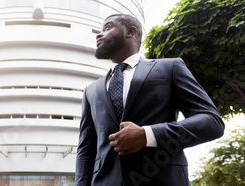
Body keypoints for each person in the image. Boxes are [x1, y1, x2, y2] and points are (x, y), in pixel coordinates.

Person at [74, 14, 225, 186]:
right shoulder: (90, 91)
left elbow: (211, 121)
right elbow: (86, 150)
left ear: (130, 32)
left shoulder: (170, 67)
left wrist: (147, 135)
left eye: (107, 27)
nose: (99, 34)